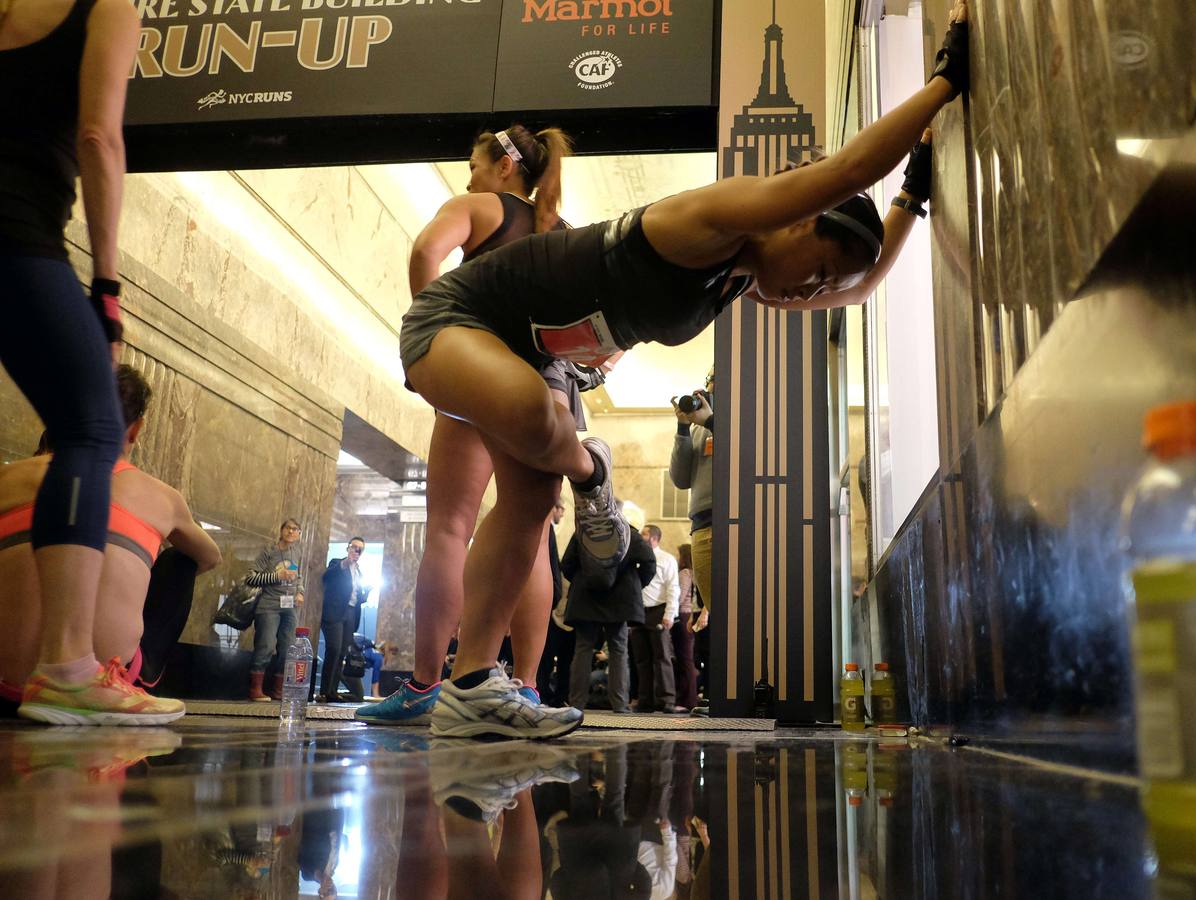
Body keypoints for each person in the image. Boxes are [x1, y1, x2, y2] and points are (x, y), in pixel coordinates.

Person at [400, 3, 965, 738]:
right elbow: (850, 169)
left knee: (533, 498)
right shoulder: (716, 220)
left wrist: (913, 196)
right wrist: (946, 82)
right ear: (795, 219)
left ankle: (472, 681)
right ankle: (589, 470)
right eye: (816, 266)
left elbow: (861, 284)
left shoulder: (741, 276)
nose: (811, 290)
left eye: (821, 287)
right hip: (454, 321)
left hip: (524, 353)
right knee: (551, 432)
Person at [357, 123, 613, 727]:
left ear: (503, 166)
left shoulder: (480, 206)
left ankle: (424, 686)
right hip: (539, 385)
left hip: (472, 374)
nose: (467, 176)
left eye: (474, 164)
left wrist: (436, 332)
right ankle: (521, 687)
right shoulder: (563, 235)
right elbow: (603, 337)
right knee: (529, 530)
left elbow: (425, 252)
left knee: (450, 527)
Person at [1, 0, 165, 725]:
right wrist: (106, 286)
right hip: (15, 234)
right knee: (94, 431)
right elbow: (99, 137)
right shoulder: (107, 5)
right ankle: (66, 665)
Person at [0, 365, 222, 719]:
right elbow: (210, 557)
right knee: (181, 561)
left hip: (7, 685)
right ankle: (128, 681)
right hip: (106, 680)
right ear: (135, 428)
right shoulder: (162, 497)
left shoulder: (7, 476)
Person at [561, 523, 653, 713]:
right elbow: (649, 563)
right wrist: (633, 584)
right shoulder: (629, 533)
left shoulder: (584, 530)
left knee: (583, 648)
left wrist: (584, 580)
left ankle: (577, 703)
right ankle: (619, 704)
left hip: (586, 597)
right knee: (619, 650)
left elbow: (568, 563)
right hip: (620, 600)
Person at [669, 368, 715, 627]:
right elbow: (680, 479)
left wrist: (711, 421)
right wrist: (683, 428)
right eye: (712, 381)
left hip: (742, 521)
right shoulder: (697, 428)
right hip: (702, 526)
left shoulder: (748, 415)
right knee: (714, 605)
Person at [244, 519, 306, 701]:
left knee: (287, 648)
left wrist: (300, 592)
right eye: (288, 528)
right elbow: (251, 577)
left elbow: (298, 576)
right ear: (281, 530)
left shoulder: (296, 552)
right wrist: (276, 576)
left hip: (290, 606)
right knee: (266, 645)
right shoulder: (269, 551)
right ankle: (255, 689)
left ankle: (278, 690)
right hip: (269, 605)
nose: (291, 532)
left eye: (296, 529)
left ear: (299, 534)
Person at [633, 525, 680, 714]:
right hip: (638, 611)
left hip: (658, 611)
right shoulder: (636, 558)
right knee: (642, 659)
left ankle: (667, 699)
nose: (640, 536)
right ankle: (645, 700)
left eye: (643, 533)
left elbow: (673, 588)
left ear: (653, 538)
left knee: (662, 658)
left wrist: (669, 614)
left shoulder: (666, 559)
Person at [319, 536, 368, 702]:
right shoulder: (337, 563)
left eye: (359, 549)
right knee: (333, 649)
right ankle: (324, 691)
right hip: (334, 612)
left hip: (351, 613)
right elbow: (326, 577)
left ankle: (332, 691)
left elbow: (358, 597)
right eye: (354, 547)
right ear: (348, 548)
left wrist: (366, 593)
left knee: (341, 652)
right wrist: (345, 563)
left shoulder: (360, 571)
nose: (356, 551)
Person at [537, 499, 576, 707]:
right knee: (545, 652)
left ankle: (541, 691)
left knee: (546, 652)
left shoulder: (548, 529)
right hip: (546, 598)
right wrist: (555, 595)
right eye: (561, 509)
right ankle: (540, 691)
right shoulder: (546, 528)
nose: (562, 514)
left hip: (550, 598)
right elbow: (553, 565)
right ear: (554, 508)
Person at [670, 543, 699, 713]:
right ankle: (686, 698)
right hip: (691, 614)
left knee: (684, 658)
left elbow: (679, 597)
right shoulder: (694, 572)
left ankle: (688, 700)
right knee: (686, 658)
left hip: (683, 615)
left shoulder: (684, 573)